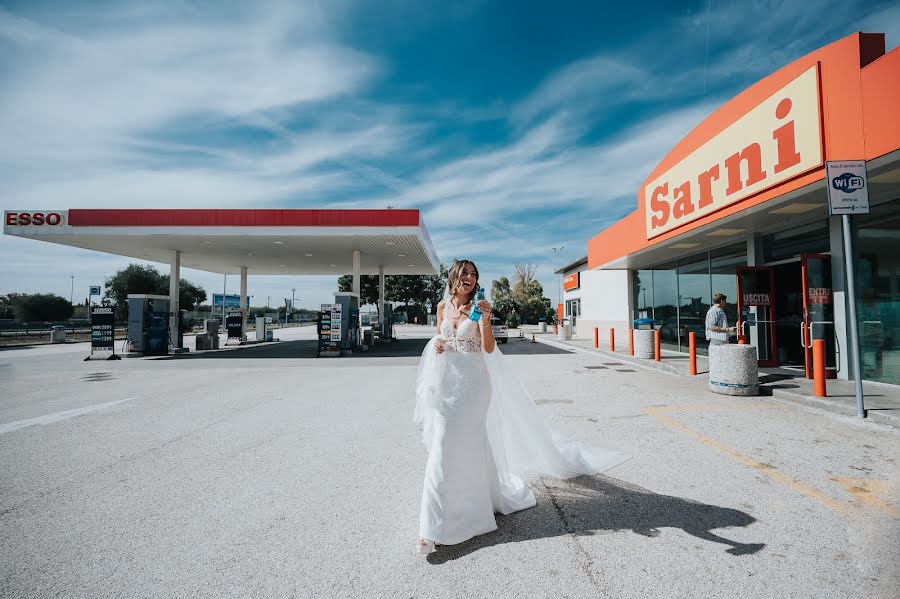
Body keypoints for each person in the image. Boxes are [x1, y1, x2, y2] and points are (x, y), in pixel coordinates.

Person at [414, 260, 629, 555]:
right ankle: (469, 503)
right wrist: (439, 342)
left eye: (474, 274)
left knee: (454, 443)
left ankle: (431, 528)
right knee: (446, 445)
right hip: (447, 385)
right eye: (464, 273)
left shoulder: (479, 307)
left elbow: (488, 348)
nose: (469, 278)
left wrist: (486, 321)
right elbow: (440, 338)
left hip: (474, 386)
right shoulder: (442, 307)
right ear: (453, 276)